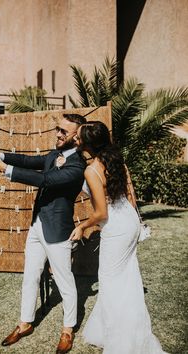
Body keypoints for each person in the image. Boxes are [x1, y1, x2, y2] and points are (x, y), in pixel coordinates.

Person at [0, 113, 87, 354]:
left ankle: (68, 329)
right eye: (57, 128)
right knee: (30, 276)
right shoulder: (53, 155)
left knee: (65, 281)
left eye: (64, 131)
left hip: (58, 231)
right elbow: (30, 162)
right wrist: (1, 155)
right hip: (36, 225)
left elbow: (45, 179)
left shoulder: (78, 166)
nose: (58, 134)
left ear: (77, 139)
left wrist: (5, 169)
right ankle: (25, 323)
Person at [70, 121, 167, 354]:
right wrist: (137, 223)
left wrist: (83, 226)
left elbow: (101, 213)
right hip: (129, 221)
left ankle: (122, 343)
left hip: (116, 226)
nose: (74, 138)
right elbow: (131, 195)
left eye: (78, 135)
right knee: (127, 278)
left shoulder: (92, 170)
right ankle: (112, 331)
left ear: (86, 143)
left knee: (110, 282)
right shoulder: (116, 162)